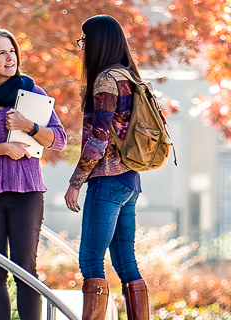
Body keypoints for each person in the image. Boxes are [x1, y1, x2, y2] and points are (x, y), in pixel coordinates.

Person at [0, 28, 67, 320]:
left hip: (27, 194)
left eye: (12, 51)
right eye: (1, 53)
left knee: (24, 269)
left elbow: (59, 139)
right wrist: (3, 148)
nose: (10, 58)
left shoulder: (33, 93)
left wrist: (29, 125)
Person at [63, 14, 149, 320]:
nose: (83, 47)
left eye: (85, 41)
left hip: (108, 180)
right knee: (126, 261)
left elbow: (99, 138)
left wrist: (76, 181)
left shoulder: (106, 81)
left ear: (98, 42)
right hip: (130, 181)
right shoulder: (130, 77)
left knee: (90, 259)